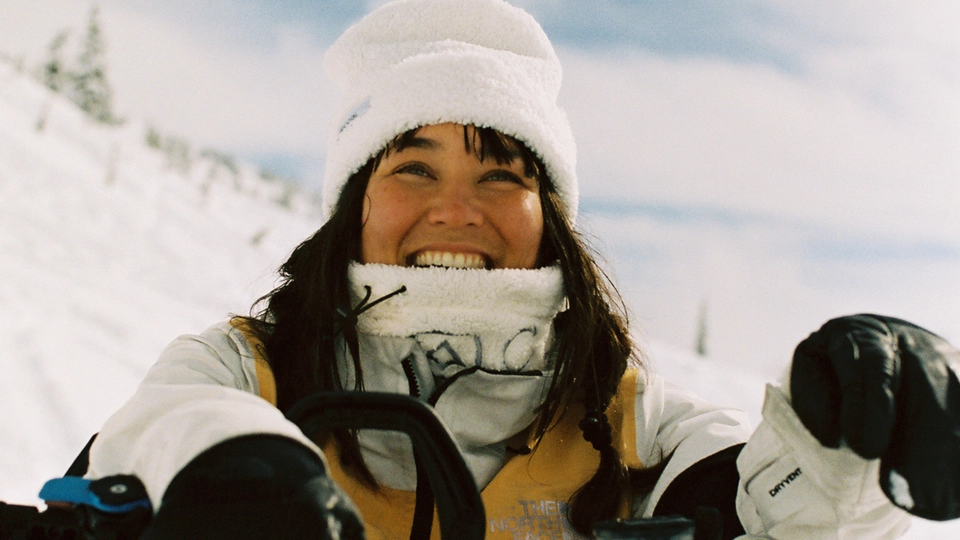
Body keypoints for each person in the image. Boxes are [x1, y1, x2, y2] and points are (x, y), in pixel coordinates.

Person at [84, 1, 960, 539]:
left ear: (554, 223)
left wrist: (848, 437)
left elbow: (758, 498)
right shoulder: (246, 369)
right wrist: (234, 467)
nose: (457, 209)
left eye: (502, 174)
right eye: (413, 167)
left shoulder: (617, 410)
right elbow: (166, 424)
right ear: (355, 205)